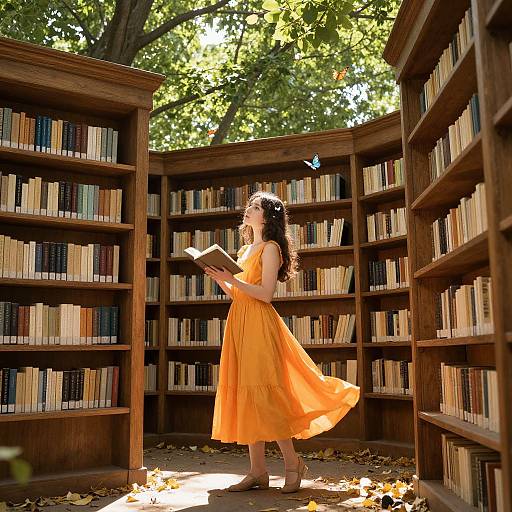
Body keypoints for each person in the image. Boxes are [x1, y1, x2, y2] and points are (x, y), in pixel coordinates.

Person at [204, 190, 360, 493]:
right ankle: (258, 471)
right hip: (239, 322)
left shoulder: (271, 248)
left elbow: (265, 294)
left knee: (268, 395)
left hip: (260, 325)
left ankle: (292, 464)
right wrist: (220, 279)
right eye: (249, 205)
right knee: (247, 393)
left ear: (269, 216)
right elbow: (237, 294)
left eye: (256, 206)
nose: (248, 210)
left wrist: (233, 280)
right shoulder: (246, 249)